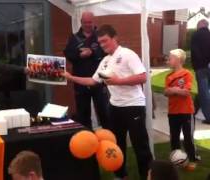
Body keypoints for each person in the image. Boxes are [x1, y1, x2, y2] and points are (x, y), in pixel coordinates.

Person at [63, 24, 153, 180]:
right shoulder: (105, 60)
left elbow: (142, 77)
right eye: (100, 42)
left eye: (105, 41)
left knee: (140, 146)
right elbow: (93, 81)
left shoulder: (127, 54)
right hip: (115, 107)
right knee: (117, 145)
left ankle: (147, 176)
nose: (103, 45)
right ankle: (120, 176)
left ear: (114, 38)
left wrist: (118, 81)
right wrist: (71, 77)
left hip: (133, 106)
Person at [63, 11, 110, 129]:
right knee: (83, 113)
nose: (88, 25)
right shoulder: (74, 37)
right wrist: (79, 55)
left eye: (90, 22)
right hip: (80, 81)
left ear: (93, 21)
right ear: (81, 22)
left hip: (99, 79)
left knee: (104, 112)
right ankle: (88, 140)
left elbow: (108, 52)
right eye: (85, 22)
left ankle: (108, 137)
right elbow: (68, 54)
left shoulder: (101, 36)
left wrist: (92, 52)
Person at [164, 49, 197, 169]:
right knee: (174, 137)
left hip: (186, 111)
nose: (168, 60)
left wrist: (173, 90)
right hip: (173, 112)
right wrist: (175, 90)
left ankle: (192, 159)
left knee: (188, 137)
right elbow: (166, 92)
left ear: (178, 60)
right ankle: (176, 160)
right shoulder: (168, 76)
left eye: (170, 58)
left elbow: (186, 93)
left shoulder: (187, 74)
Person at [190, 19, 210, 124]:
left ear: (200, 25)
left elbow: (195, 52)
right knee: (204, 91)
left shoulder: (196, 35)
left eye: (197, 24)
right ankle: (193, 110)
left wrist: (197, 65)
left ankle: (209, 117)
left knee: (204, 93)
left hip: (201, 68)